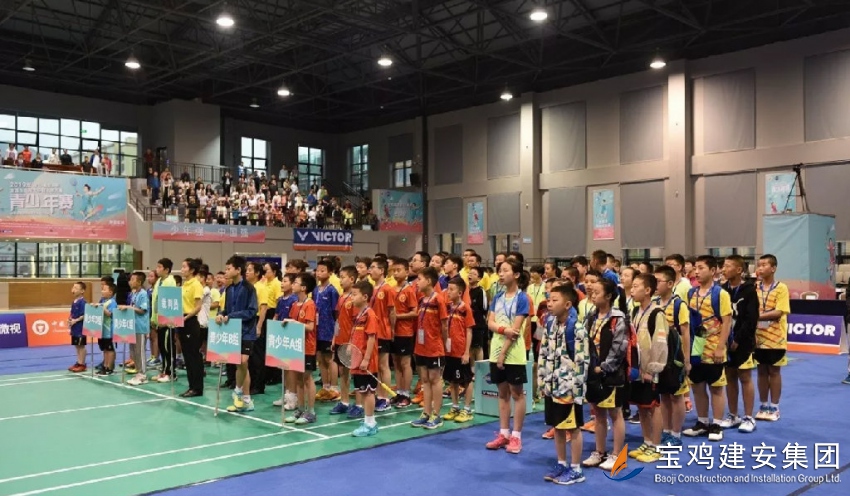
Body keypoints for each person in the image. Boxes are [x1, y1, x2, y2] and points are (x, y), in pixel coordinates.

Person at [539, 284, 586, 486]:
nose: (549, 303)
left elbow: (582, 362)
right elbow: (543, 353)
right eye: (549, 299)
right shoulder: (550, 324)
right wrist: (542, 381)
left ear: (567, 304)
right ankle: (561, 463)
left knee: (573, 429)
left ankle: (576, 469)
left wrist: (577, 392)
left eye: (554, 300)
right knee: (557, 427)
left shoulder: (577, 328)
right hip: (552, 387)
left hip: (569, 390)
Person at [683, 255, 732, 442]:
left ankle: (717, 424)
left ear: (713, 271)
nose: (696, 271)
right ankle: (702, 422)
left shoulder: (721, 294)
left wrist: (720, 347)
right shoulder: (691, 293)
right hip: (696, 348)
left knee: (716, 388)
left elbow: (727, 322)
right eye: (695, 268)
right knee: (697, 386)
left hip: (713, 348)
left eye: (701, 268)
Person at [485, 259, 530, 454]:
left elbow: (516, 330)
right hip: (495, 350)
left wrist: (503, 353)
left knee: (516, 394)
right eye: (499, 271)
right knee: (502, 393)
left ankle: (516, 436)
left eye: (505, 270)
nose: (501, 274)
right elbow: (490, 323)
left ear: (517, 274)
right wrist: (503, 329)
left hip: (513, 354)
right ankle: (504, 433)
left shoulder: (523, 298)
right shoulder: (497, 297)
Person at [581, 278, 628, 471]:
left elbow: (620, 348)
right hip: (592, 373)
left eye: (597, 292)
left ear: (608, 296)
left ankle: (617, 455)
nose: (592, 295)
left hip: (611, 374)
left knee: (615, 414)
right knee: (598, 414)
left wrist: (604, 367)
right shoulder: (591, 316)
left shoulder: (618, 318)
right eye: (591, 292)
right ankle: (599, 452)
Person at [626, 274, 668, 464]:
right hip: (638, 369)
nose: (632, 289)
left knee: (654, 406)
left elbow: (660, 343)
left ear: (648, 290)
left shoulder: (657, 313)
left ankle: (657, 446)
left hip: (652, 370)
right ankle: (647, 441)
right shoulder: (636, 311)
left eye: (636, 286)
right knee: (642, 407)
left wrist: (653, 369)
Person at [719, 255, 759, 433]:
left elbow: (751, 319)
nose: (723, 269)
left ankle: (749, 417)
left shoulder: (749, 291)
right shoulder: (722, 290)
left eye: (728, 266)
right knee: (729, 377)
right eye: (723, 266)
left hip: (744, 342)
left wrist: (738, 339)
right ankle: (733, 415)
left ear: (739, 270)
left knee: (745, 377)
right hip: (726, 341)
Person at [652, 265, 690, 447]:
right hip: (659, 358)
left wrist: (687, 360)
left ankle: (676, 432)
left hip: (676, 358)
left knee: (676, 396)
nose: (655, 284)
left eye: (658, 281)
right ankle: (666, 430)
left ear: (669, 283)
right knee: (664, 396)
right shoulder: (654, 303)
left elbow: (686, 333)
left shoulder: (679, 305)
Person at [410, 267, 448, 429]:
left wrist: (444, 345)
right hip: (421, 346)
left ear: (429, 281)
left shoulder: (438, 299)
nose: (417, 283)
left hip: (434, 347)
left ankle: (436, 415)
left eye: (419, 279)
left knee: (435, 379)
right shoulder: (421, 300)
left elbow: (444, 325)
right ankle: (426, 413)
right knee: (424, 380)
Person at [221, 256, 259, 413]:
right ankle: (246, 400)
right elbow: (226, 309)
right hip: (233, 331)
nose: (226, 271)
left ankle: (237, 390)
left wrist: (231, 316)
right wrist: (221, 314)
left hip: (247, 331)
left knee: (243, 361)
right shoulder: (229, 289)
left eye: (229, 268)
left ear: (238, 270)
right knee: (240, 365)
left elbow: (252, 311)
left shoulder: (249, 288)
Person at [754, 254, 790, 422]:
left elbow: (779, 311)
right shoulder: (754, 287)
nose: (760, 268)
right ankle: (763, 405)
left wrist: (755, 317)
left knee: (774, 371)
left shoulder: (781, 288)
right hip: (758, 336)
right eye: (759, 265)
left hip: (776, 337)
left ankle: (775, 407)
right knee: (761, 370)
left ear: (773, 268)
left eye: (764, 265)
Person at [349, 280, 381, 437]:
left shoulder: (370, 314)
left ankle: (370, 423)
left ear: (365, 297)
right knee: (362, 391)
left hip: (366, 362)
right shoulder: (359, 314)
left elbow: (371, 337)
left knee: (368, 392)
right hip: (357, 360)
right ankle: (367, 420)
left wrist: (366, 359)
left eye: (355, 295)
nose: (352, 298)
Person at [441, 277, 476, 423]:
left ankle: (467, 409)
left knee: (466, 380)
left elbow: (469, 331)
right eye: (448, 289)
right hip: (449, 351)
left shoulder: (465, 308)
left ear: (460, 292)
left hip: (461, 351)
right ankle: (455, 407)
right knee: (452, 380)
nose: (448, 292)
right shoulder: (448, 307)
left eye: (451, 289)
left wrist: (466, 352)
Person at [285, 273, 318, 424]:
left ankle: (310, 412)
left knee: (307, 378)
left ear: (303, 288)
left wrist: (294, 323)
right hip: (295, 346)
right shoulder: (294, 305)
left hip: (307, 347)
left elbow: (310, 327)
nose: (293, 285)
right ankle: (300, 409)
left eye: (296, 282)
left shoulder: (310, 304)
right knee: (298, 379)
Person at [329, 267, 359, 416]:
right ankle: (344, 402)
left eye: (343, 277)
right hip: (340, 340)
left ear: (352, 279)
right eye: (339, 277)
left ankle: (359, 405)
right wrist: (334, 338)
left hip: (351, 343)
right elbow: (338, 320)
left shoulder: (354, 299)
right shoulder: (341, 297)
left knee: (356, 374)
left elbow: (356, 323)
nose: (340, 280)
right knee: (343, 373)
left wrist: (352, 342)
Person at [368, 258, 396, 412]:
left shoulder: (387, 289)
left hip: (383, 332)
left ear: (381, 270)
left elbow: (392, 311)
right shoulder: (371, 288)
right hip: (371, 331)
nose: (370, 270)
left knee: (383, 366)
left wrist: (392, 330)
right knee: (376, 366)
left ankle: (385, 398)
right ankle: (379, 395)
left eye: (373, 267)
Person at [391, 258, 417, 408]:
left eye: (398, 270)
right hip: (392, 332)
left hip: (405, 332)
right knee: (396, 363)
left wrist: (398, 317)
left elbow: (415, 312)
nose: (395, 273)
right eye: (393, 270)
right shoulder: (391, 289)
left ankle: (406, 394)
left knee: (405, 363)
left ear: (406, 272)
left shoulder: (409, 290)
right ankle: (399, 392)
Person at [314, 260, 340, 403]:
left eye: (322, 270)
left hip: (329, 331)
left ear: (330, 273)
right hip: (317, 331)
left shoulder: (332, 291)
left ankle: (334, 389)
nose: (319, 273)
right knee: (320, 359)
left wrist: (335, 333)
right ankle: (325, 387)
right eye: (317, 270)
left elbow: (337, 314)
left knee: (330, 359)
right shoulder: (315, 290)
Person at [177, 258, 204, 397]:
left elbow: (198, 307)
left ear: (192, 270)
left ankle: (197, 388)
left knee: (193, 356)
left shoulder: (196, 284)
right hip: (182, 320)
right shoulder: (184, 284)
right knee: (187, 356)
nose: (182, 269)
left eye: (184, 267)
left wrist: (186, 317)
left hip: (190, 321)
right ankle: (191, 386)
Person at [273, 273, 300, 409]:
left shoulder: (294, 300)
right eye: (282, 281)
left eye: (285, 281)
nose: (282, 283)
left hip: (291, 336)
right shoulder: (280, 300)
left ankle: (292, 397)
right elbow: (276, 315)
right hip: (280, 336)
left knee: (290, 369)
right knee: (283, 367)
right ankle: (285, 395)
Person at [151, 259, 177, 383]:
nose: (157, 269)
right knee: (162, 347)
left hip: (167, 322)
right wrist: (153, 319)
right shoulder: (158, 282)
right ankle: (164, 371)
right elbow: (155, 302)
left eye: (159, 267)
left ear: (166, 269)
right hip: (159, 321)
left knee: (168, 348)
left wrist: (165, 319)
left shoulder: (170, 282)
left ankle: (171, 373)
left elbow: (169, 302)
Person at [246, 262, 269, 395]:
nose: (247, 272)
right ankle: (250, 383)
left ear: (257, 273)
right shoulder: (248, 287)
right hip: (248, 321)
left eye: (250, 270)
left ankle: (259, 386)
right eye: (246, 270)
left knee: (257, 356)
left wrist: (259, 326)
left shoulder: (261, 287)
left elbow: (263, 308)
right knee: (249, 356)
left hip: (257, 321)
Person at [123, 272, 150, 386]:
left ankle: (143, 375)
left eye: (133, 279)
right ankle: (138, 373)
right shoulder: (134, 294)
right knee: (134, 353)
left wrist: (128, 307)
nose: (130, 281)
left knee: (140, 352)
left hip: (140, 327)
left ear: (139, 282)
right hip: (132, 326)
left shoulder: (143, 294)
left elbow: (142, 310)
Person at [94, 283, 118, 375]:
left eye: (104, 290)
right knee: (104, 349)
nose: (102, 291)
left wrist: (101, 307)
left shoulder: (112, 302)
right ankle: (105, 366)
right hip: (102, 330)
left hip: (109, 331)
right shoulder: (104, 301)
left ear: (110, 292)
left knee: (110, 349)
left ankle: (109, 368)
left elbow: (109, 314)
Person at [67, 282, 88, 373]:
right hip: (74, 328)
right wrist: (69, 319)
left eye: (76, 288)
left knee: (81, 346)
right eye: (73, 287)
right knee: (77, 346)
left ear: (82, 291)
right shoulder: (74, 302)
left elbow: (85, 315)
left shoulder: (83, 302)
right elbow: (72, 313)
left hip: (81, 328)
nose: (73, 289)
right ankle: (79, 363)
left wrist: (75, 320)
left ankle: (82, 364)